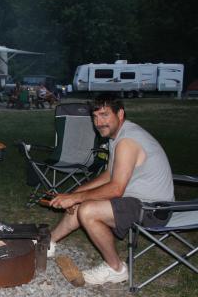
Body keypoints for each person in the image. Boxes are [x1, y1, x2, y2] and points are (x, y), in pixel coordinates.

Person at [48, 94, 174, 285]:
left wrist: (77, 198)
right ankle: (48, 242)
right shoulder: (118, 137)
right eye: (95, 116)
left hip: (154, 209)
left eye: (105, 115)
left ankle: (116, 269)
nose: (99, 122)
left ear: (120, 114)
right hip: (138, 200)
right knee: (83, 201)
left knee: (88, 209)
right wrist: (75, 194)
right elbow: (109, 175)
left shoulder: (127, 141)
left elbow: (116, 189)